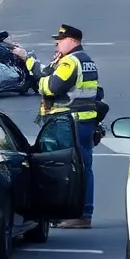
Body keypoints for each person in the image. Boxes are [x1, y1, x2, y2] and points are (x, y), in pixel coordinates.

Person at [36, 25, 100, 228]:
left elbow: (52, 87)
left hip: (70, 121)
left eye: (60, 39)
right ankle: (83, 212)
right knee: (83, 167)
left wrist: (40, 83)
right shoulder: (86, 60)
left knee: (69, 168)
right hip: (85, 120)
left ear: (72, 40)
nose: (57, 43)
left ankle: (77, 214)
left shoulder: (70, 62)